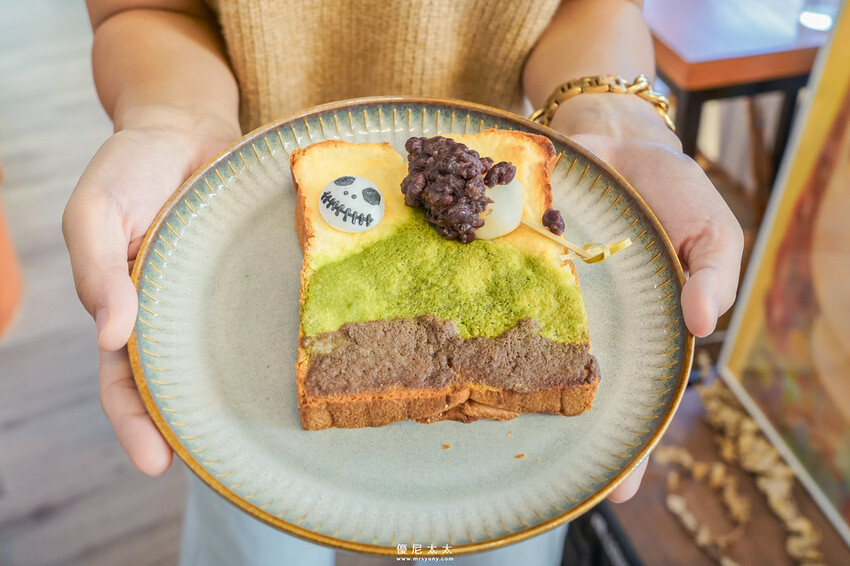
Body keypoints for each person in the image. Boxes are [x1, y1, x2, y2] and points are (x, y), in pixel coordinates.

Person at [62, 0, 744, 564]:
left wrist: (610, 117)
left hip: (487, 184)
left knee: (504, 529)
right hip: (231, 216)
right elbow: (146, 9)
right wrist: (174, 118)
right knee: (252, 531)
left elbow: (593, 8)